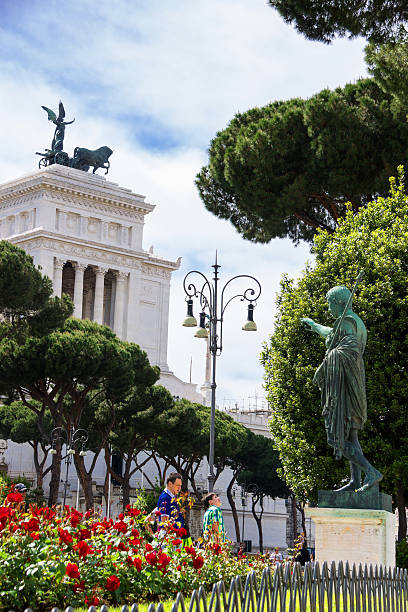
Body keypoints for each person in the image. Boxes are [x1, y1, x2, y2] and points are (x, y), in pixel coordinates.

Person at [301, 284, 382, 492]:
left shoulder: (347, 321)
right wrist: (314, 325)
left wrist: (329, 359)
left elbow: (348, 350)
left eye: (329, 303)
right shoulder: (355, 322)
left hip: (344, 390)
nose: (329, 309)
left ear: (338, 303)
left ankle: (371, 472)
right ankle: (355, 480)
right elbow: (333, 333)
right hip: (353, 386)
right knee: (351, 437)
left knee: (336, 436)